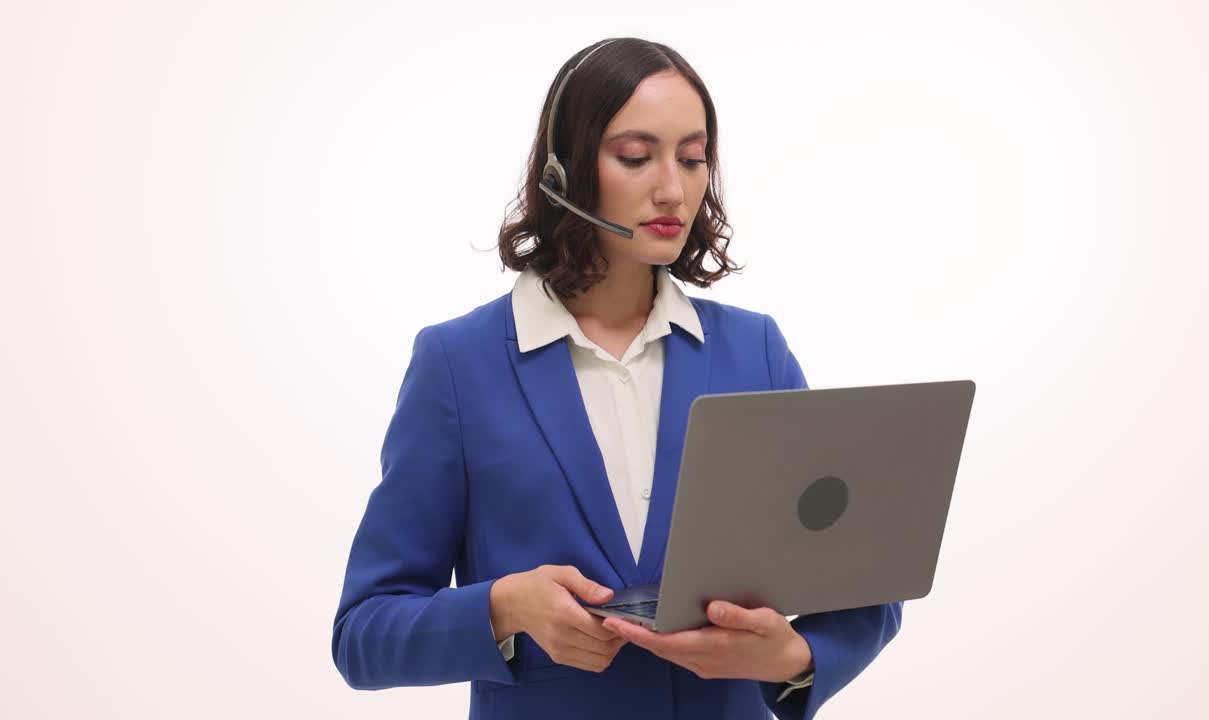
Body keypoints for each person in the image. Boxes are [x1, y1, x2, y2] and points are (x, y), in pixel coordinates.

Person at [330, 37, 903, 720]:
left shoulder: (757, 352)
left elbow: (866, 584)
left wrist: (793, 659)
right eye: (636, 157)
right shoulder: (458, 365)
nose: (672, 188)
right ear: (564, 171)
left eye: (693, 159)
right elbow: (363, 633)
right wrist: (503, 608)